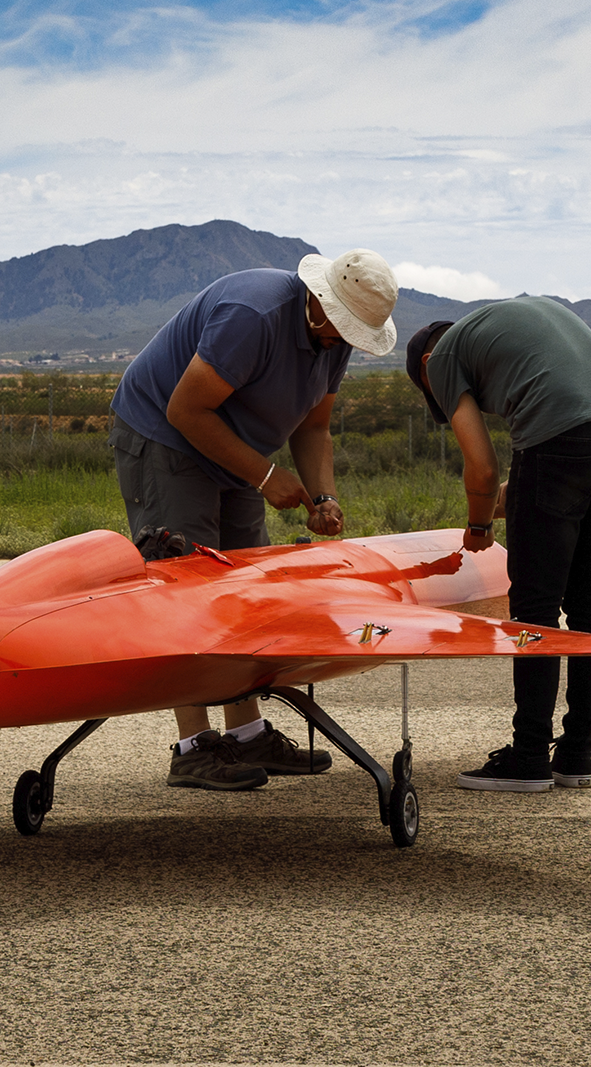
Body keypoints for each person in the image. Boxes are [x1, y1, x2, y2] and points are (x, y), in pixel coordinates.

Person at [110, 249, 400, 790]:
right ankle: (193, 748)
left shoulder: (333, 339)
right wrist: (267, 479)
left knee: (245, 589)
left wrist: (322, 495)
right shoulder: (255, 315)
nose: (343, 340)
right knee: (187, 586)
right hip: (164, 437)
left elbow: (313, 429)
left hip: (232, 445)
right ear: (318, 301)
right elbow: (185, 411)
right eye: (341, 328)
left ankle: (246, 734)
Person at [403, 296, 591, 792]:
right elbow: (564, 437)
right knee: (590, 603)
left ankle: (529, 757)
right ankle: (576, 755)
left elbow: (483, 467)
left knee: (534, 606)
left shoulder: (443, 357)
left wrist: (478, 527)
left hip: (562, 438)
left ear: (426, 366)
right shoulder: (500, 329)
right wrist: (520, 493)